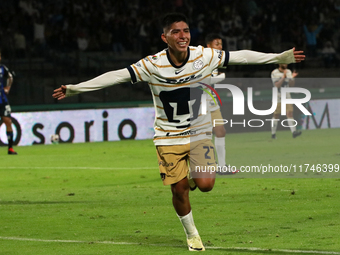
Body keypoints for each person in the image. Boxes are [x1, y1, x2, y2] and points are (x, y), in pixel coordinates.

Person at [53, 13, 305, 251]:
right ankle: (192, 234)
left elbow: (240, 56)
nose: (183, 35)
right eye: (176, 32)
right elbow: (117, 76)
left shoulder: (203, 56)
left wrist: (279, 56)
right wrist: (76, 88)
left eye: (186, 31)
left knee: (206, 185)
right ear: (165, 38)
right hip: (167, 136)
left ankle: (196, 178)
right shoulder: (152, 65)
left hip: (198, 132)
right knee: (179, 188)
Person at [205, 33, 237, 175]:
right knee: (201, 137)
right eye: (217, 44)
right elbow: (202, 81)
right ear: (208, 46)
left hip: (212, 102)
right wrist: (219, 78)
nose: (220, 46)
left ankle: (222, 166)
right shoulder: (202, 59)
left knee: (220, 131)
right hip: (199, 105)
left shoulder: (215, 61)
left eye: (221, 44)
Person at [271, 64, 301, 139]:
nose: (285, 64)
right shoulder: (274, 73)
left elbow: (291, 85)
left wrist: (292, 78)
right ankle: (273, 133)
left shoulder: (288, 71)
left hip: (287, 95)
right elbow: (277, 85)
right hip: (277, 97)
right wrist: (283, 77)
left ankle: (294, 132)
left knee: (289, 113)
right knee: (276, 115)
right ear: (280, 64)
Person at [0, 50, 17, 155]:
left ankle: (10, 148)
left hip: (2, 99)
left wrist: (8, 87)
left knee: (8, 121)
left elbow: (10, 77)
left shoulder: (2, 68)